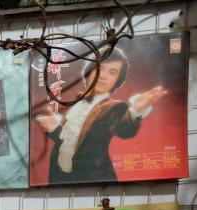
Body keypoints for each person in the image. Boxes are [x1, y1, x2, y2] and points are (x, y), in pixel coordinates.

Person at [35, 46, 168, 184]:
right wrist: (54, 128)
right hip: (60, 177)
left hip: (94, 180)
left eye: (112, 72)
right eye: (100, 68)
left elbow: (126, 129)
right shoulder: (77, 103)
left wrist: (135, 111)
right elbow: (71, 140)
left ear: (117, 80)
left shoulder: (115, 108)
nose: (103, 76)